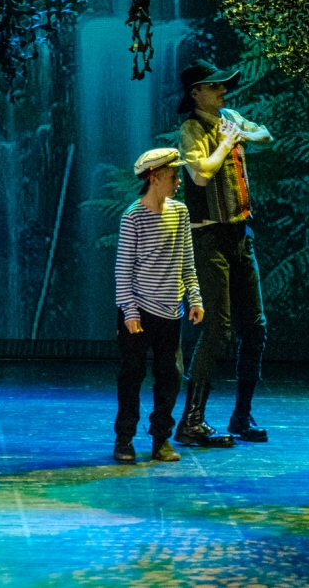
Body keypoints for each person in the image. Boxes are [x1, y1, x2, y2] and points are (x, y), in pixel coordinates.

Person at [176, 59, 274, 446]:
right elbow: (200, 175)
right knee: (217, 328)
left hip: (240, 234)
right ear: (195, 92)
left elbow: (265, 134)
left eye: (223, 85)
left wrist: (241, 134)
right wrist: (226, 143)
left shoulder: (230, 118)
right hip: (208, 237)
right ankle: (191, 421)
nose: (223, 91)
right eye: (215, 86)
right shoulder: (190, 129)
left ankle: (241, 415)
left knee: (256, 327)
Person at [113, 147, 204, 463]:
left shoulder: (180, 212)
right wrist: (129, 311)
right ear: (154, 178)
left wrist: (194, 297)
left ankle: (161, 439)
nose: (178, 181)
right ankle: (124, 438)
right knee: (132, 375)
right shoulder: (133, 217)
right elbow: (123, 270)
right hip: (139, 312)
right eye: (173, 176)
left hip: (170, 312)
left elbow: (187, 261)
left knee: (170, 377)